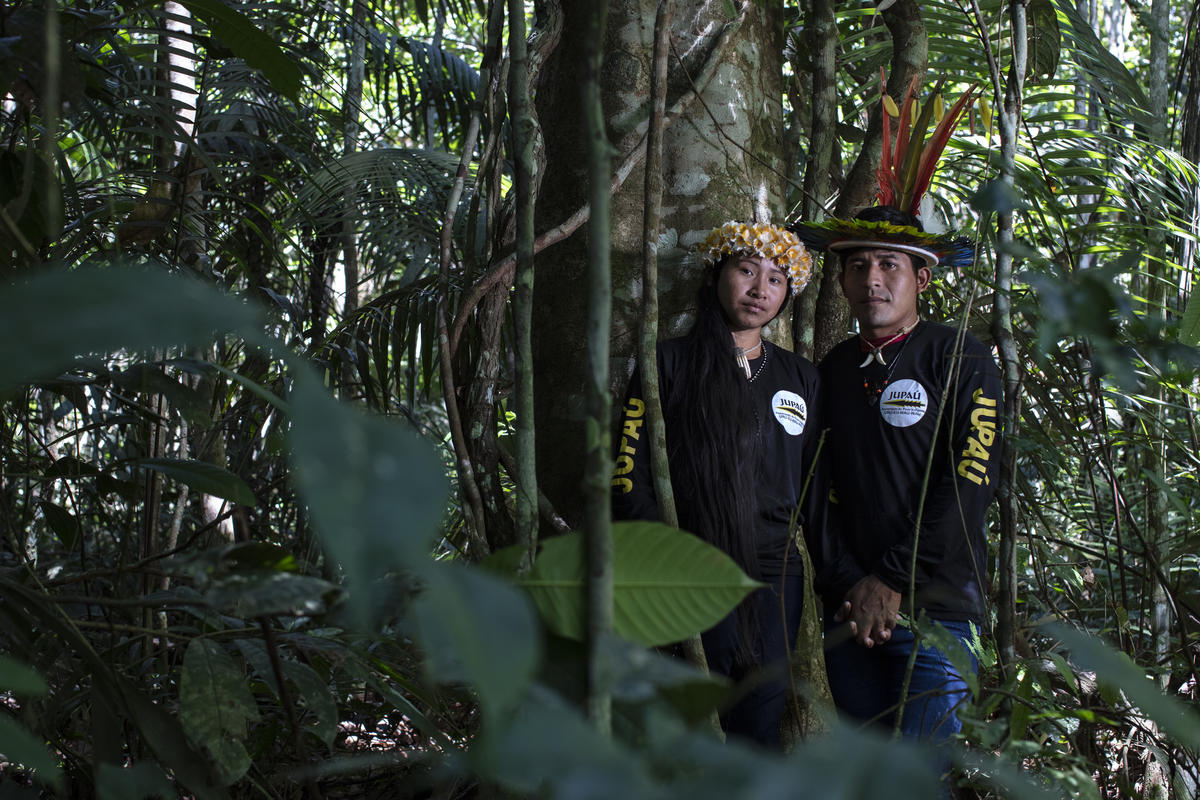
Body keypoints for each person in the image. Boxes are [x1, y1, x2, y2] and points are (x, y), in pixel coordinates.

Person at [791, 203, 1001, 751]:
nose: (872, 279)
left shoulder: (963, 358)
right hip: (851, 614)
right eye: (857, 266)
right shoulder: (829, 371)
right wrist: (849, 583)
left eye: (889, 265)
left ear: (921, 278)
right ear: (840, 281)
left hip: (939, 612)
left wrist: (889, 580)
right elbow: (812, 489)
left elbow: (969, 487)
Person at [611, 221, 821, 749]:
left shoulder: (799, 377)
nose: (759, 290)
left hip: (775, 571)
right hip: (692, 563)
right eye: (746, 271)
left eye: (775, 280)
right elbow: (626, 472)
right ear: (717, 276)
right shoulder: (669, 362)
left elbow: (815, 480)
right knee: (691, 717)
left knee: (762, 715)